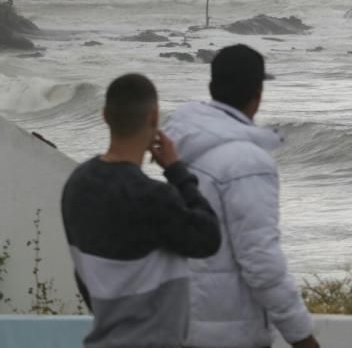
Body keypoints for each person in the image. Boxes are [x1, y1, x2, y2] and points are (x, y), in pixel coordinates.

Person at [163, 44, 319, 348]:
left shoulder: (184, 149)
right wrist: (301, 335)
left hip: (185, 325)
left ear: (211, 87)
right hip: (233, 334)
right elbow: (260, 259)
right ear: (258, 94)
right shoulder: (247, 162)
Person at [61, 73, 221, 348]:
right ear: (154, 116)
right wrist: (177, 171)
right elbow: (208, 237)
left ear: (104, 116)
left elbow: (83, 274)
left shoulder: (76, 185)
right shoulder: (153, 198)